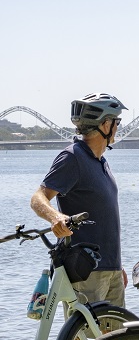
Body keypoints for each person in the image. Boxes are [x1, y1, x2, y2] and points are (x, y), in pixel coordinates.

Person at [30, 92, 128, 307]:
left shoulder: (101, 161)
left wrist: (116, 266)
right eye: (117, 122)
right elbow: (38, 197)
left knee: (118, 330)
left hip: (110, 268)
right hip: (85, 269)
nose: (118, 127)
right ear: (105, 125)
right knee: (81, 329)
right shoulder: (73, 157)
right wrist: (55, 217)